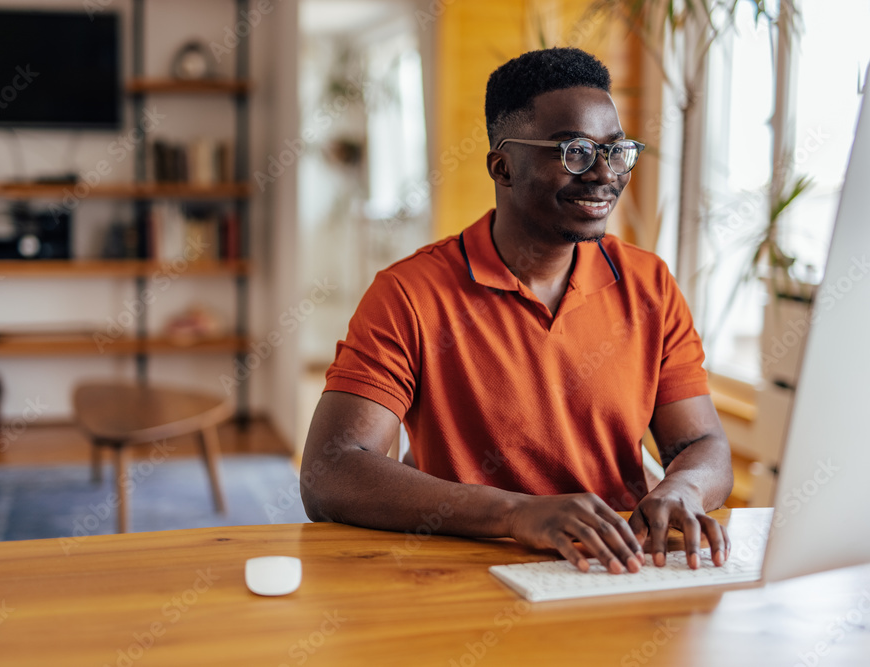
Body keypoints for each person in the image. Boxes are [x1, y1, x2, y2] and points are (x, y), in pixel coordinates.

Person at [299, 47, 733, 574]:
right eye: (574, 150)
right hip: (468, 571)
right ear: (503, 167)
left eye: (615, 152)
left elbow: (702, 441)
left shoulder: (650, 285)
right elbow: (331, 474)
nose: (603, 174)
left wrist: (683, 490)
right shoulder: (408, 294)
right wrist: (519, 515)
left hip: (619, 569)